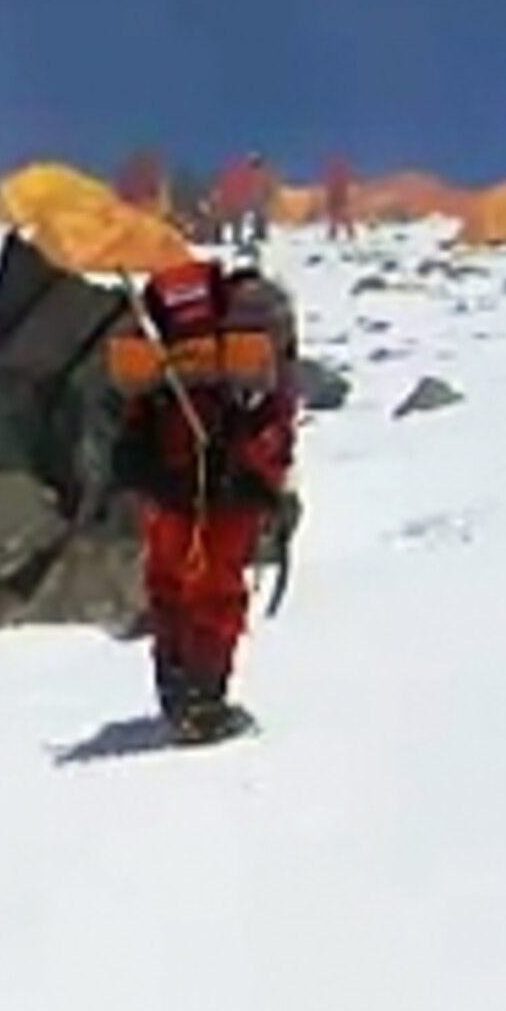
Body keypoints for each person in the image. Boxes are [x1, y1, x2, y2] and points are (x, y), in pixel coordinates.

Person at [115, 255, 301, 744]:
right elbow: (275, 409)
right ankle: (204, 704)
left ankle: (175, 691)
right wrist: (270, 482)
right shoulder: (262, 321)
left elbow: (135, 403)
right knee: (216, 592)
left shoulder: (167, 326)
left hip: (166, 476)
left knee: (169, 582)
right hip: (231, 483)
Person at [322, 153, 357, 240]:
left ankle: (348, 234)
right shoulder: (335, 179)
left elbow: (344, 190)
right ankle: (336, 234)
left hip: (340, 201)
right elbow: (331, 192)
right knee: (337, 220)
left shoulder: (341, 179)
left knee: (343, 219)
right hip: (337, 201)